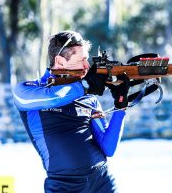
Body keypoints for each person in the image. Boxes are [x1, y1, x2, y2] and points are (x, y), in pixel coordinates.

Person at [13, 30, 130, 193]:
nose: (87, 66)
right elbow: (54, 97)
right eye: (81, 60)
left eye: (87, 59)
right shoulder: (27, 91)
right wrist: (85, 86)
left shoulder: (89, 98)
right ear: (60, 61)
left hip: (102, 181)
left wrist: (121, 105)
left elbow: (108, 148)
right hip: (63, 186)